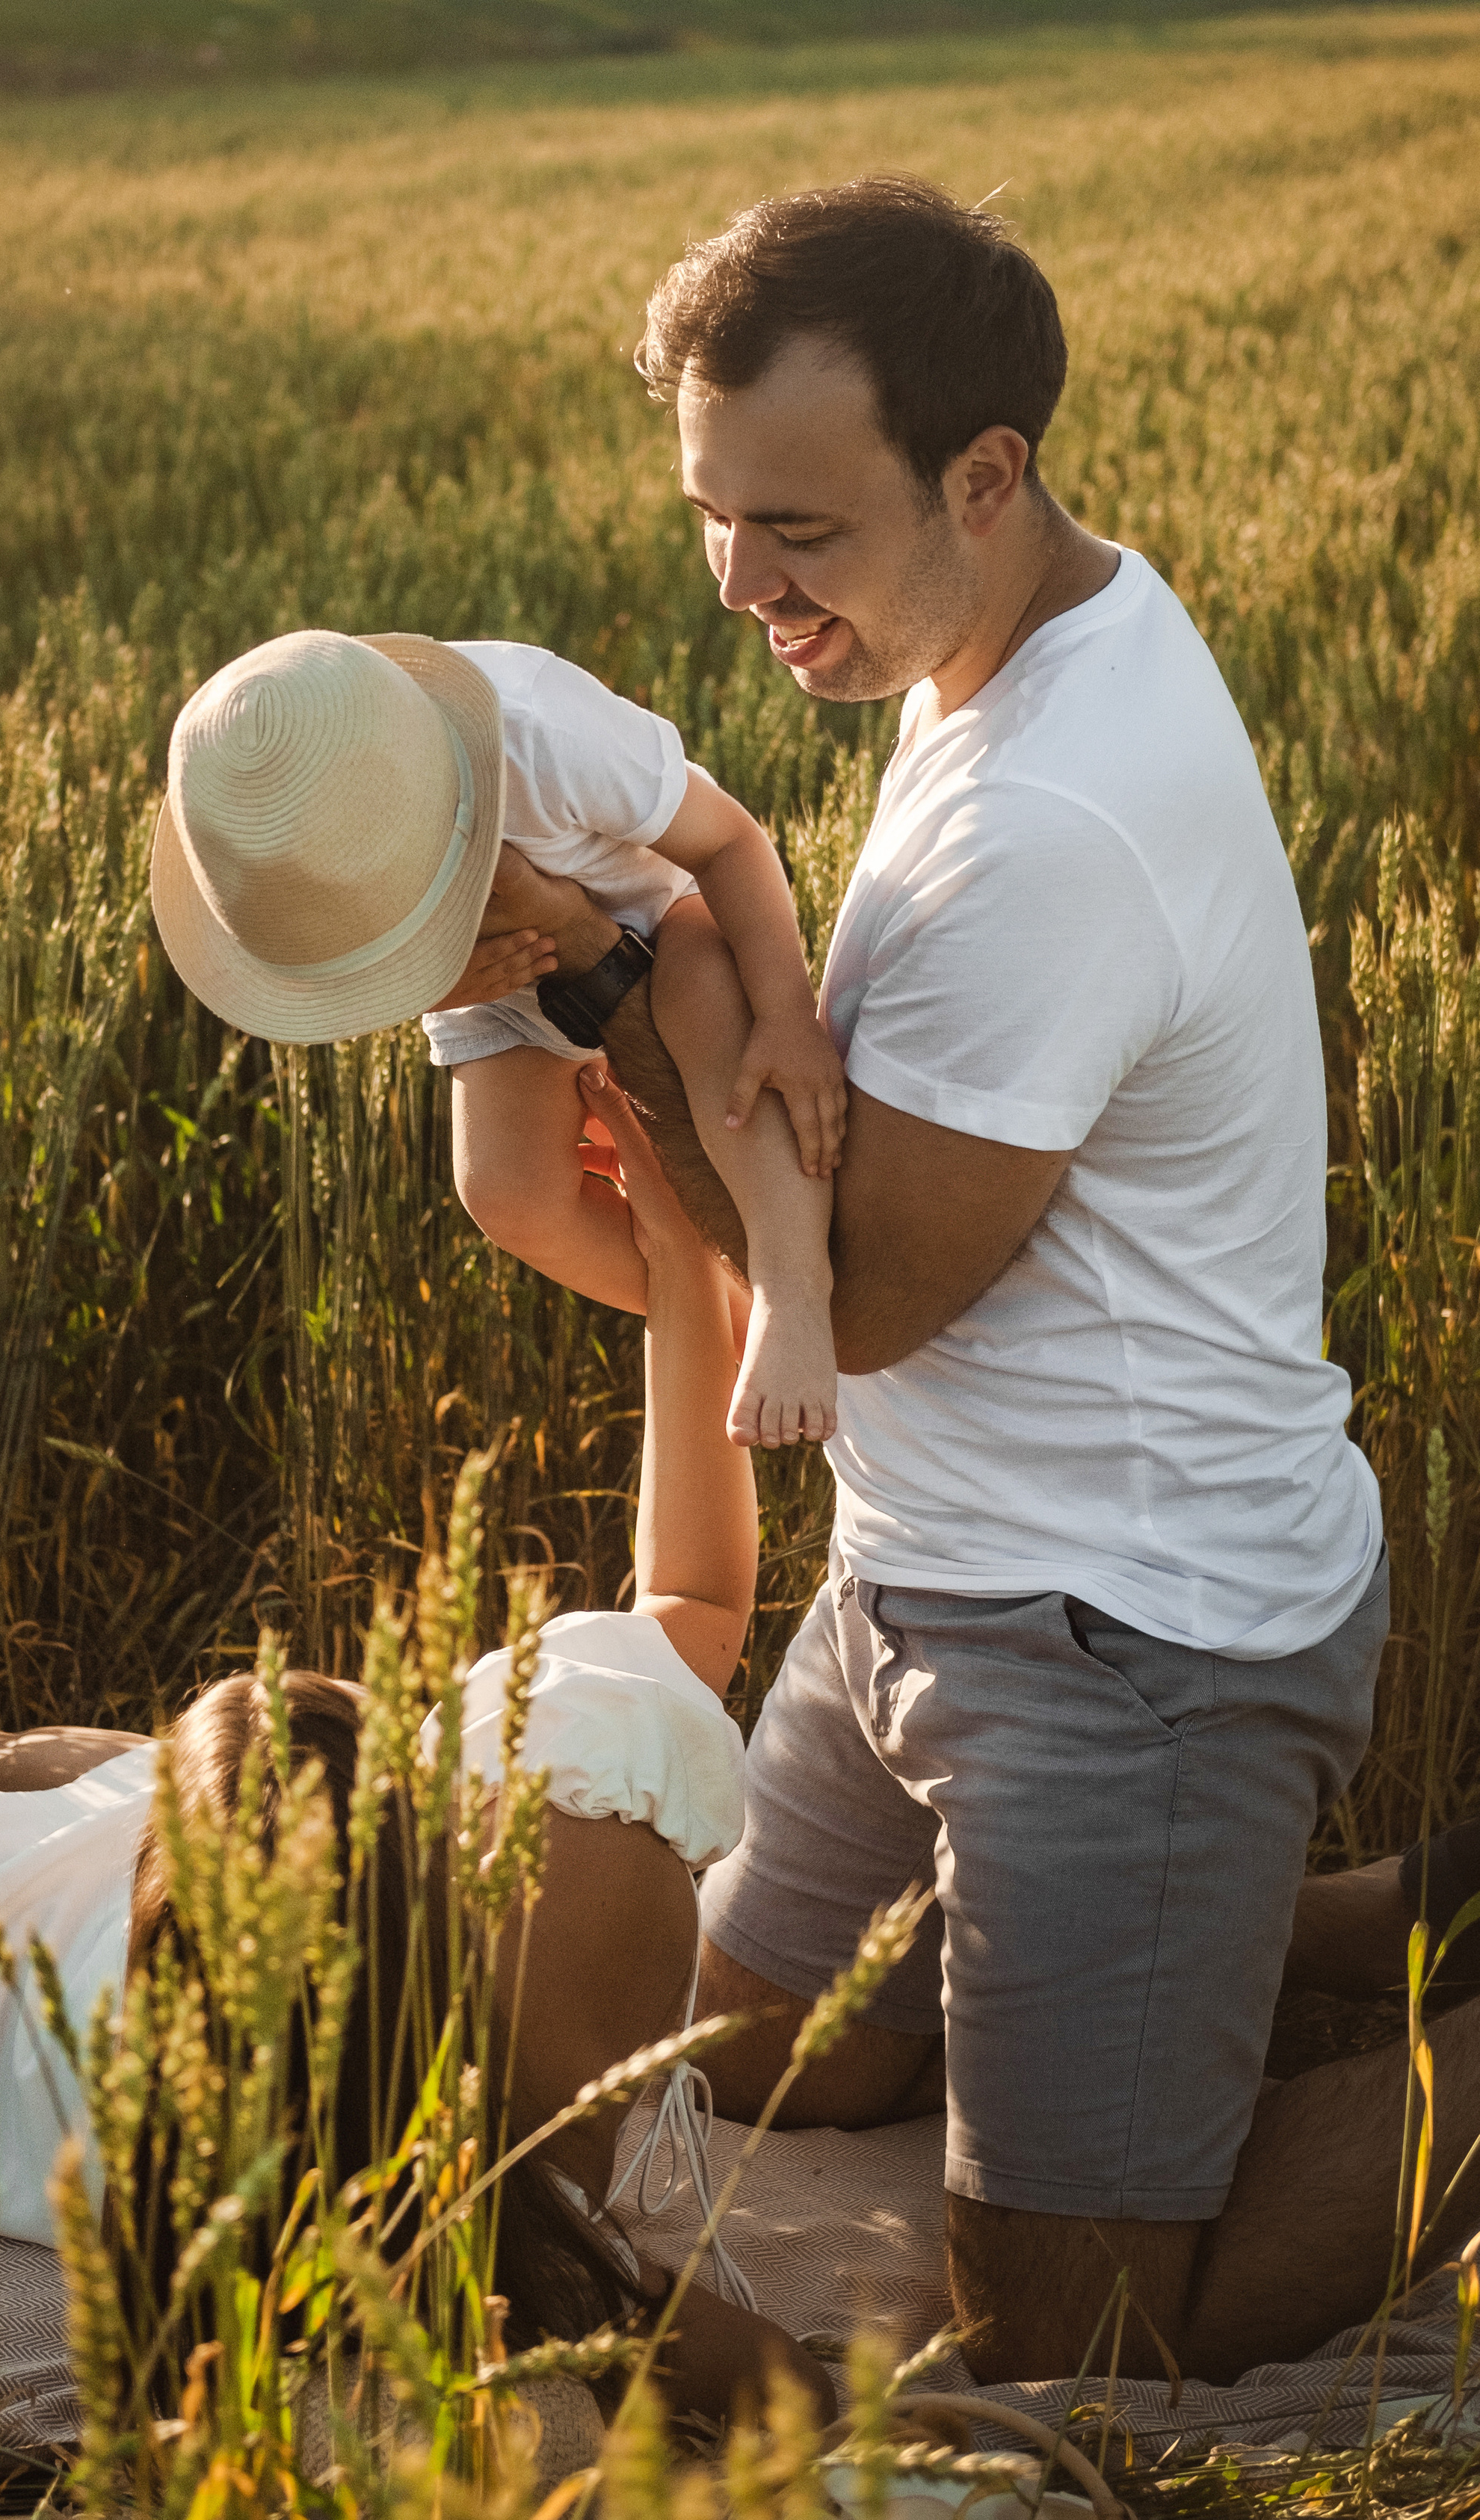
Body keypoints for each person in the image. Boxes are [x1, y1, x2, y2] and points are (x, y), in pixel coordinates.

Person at [473, 176, 1390, 2388]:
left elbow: (866, 1295)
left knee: (1070, 2326)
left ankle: (1195, 1930)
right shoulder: (1000, 629)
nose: (739, 585)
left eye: (796, 525)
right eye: (713, 514)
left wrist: (596, 974)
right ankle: (1288, 1928)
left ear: (981, 473)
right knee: (749, 2066)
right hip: (921, 1584)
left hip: (1130, 1625)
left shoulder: (1051, 819)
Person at [0, 1066, 830, 2430]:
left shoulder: (12, 2024)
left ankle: (22, 1768)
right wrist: (677, 1265)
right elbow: (697, 1602)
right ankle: (47, 1765)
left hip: (13, 1941)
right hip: (184, 1905)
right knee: (23, 1760)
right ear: (427, 1835)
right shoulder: (566, 1954)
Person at [146, 624, 843, 1448]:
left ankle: (793, 1289)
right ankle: (718, 1311)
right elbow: (346, 984)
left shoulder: (539, 732)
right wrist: (436, 982)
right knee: (505, 1193)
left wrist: (787, 1016)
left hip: (663, 912)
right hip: (489, 978)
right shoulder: (276, 853)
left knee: (715, 1050)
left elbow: (727, 841)